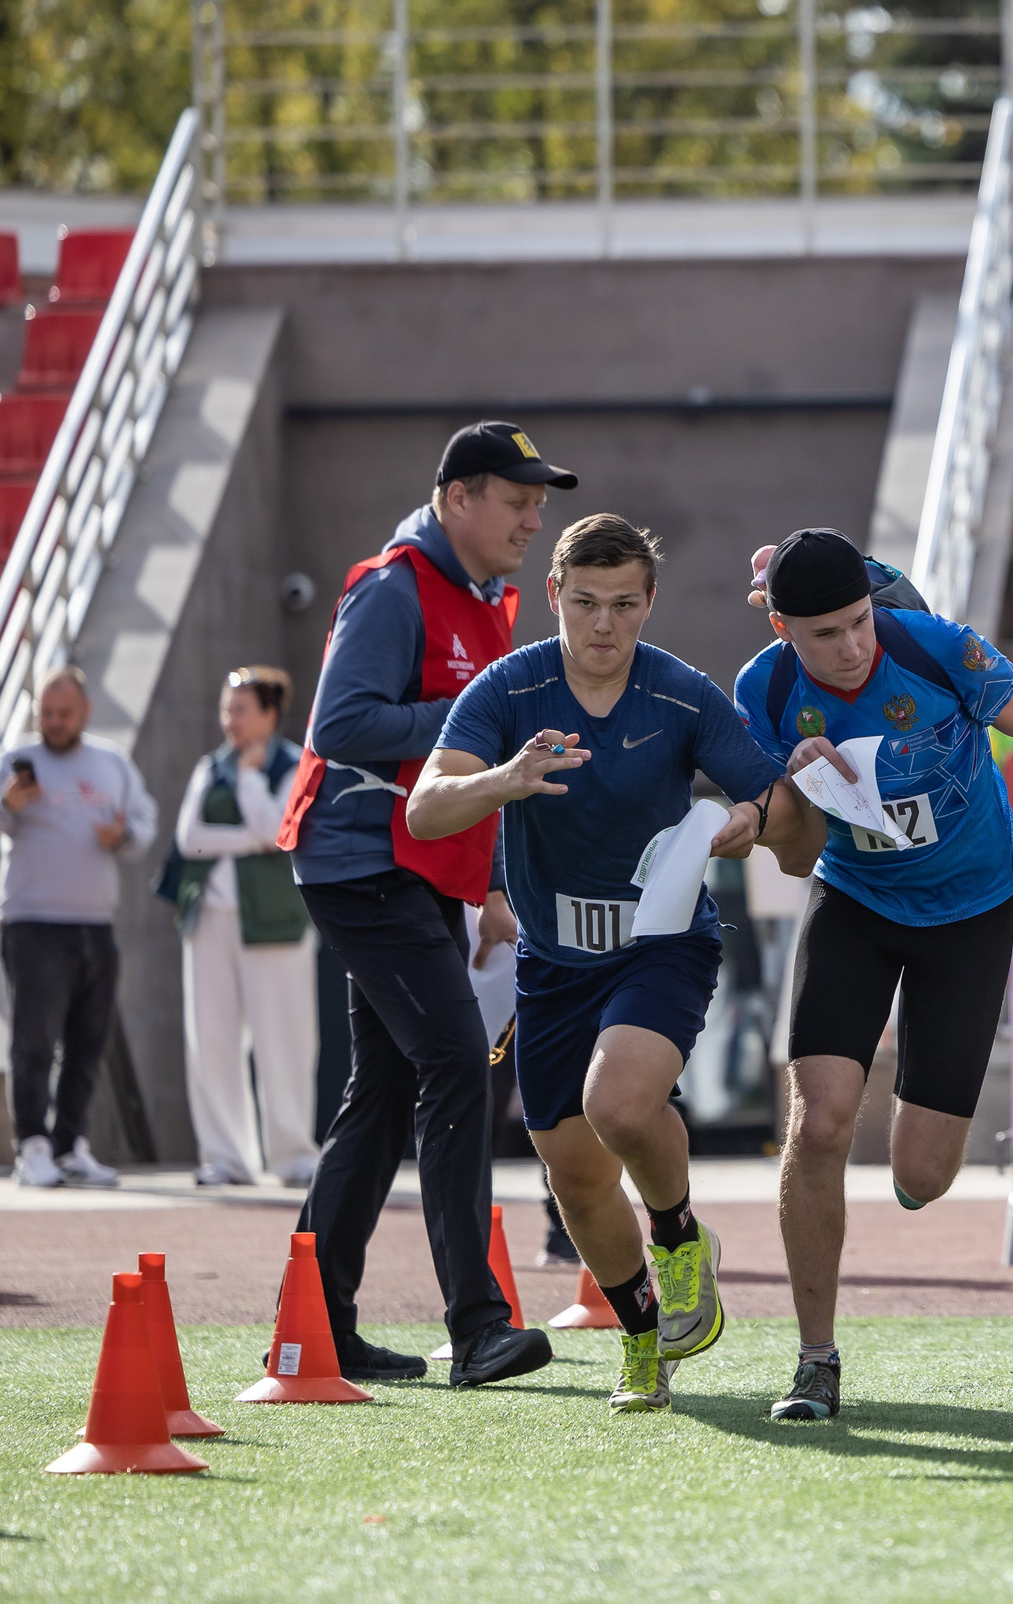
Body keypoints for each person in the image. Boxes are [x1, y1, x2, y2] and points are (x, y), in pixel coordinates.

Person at [410, 513, 809, 1415]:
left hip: (661, 947)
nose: (603, 625)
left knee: (619, 1103)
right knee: (577, 1178)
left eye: (624, 605)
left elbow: (778, 811)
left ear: (649, 603)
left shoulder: (679, 694)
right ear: (553, 595)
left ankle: (678, 1238)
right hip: (552, 964)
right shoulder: (512, 690)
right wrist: (499, 782)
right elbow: (426, 812)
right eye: (585, 603)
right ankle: (643, 1343)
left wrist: (750, 820)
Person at [732, 528, 1013, 1424]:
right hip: (853, 900)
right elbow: (792, 857)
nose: (851, 648)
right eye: (825, 634)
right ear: (782, 629)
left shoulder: (939, 648)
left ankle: (916, 1165)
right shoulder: (764, 692)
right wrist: (797, 794)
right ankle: (815, 1360)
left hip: (968, 909)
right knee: (819, 1128)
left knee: (923, 1175)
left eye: (860, 622)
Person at [276, 420, 565, 1388]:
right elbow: (340, 723)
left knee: (387, 1092)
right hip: (361, 860)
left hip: (416, 865)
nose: (534, 518)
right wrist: (479, 709)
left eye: (537, 501)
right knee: (453, 1063)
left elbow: (458, 763)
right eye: (518, 499)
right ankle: (478, 1326)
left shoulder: (483, 597)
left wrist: (484, 882)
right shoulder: (394, 587)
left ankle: (314, 1328)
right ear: (458, 498)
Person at [3, 666, 156, 1189]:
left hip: (95, 924)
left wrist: (124, 834)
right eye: (46, 713)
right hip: (33, 924)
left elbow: (145, 823)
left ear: (85, 712)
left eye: (64, 713)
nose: (54, 722)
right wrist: (7, 806)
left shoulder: (111, 761)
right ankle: (33, 1145)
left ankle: (70, 1145)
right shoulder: (14, 762)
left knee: (89, 1043)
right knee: (34, 1042)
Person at [169, 665, 317, 1187]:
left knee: (285, 1039)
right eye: (225, 709)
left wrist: (252, 782)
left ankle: (293, 1154)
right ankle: (225, 1157)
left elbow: (277, 831)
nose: (229, 720)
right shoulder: (210, 767)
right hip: (209, 920)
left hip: (275, 922)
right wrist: (245, 835)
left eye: (241, 710)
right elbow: (189, 839)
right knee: (211, 1040)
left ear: (270, 714)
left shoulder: (294, 761)